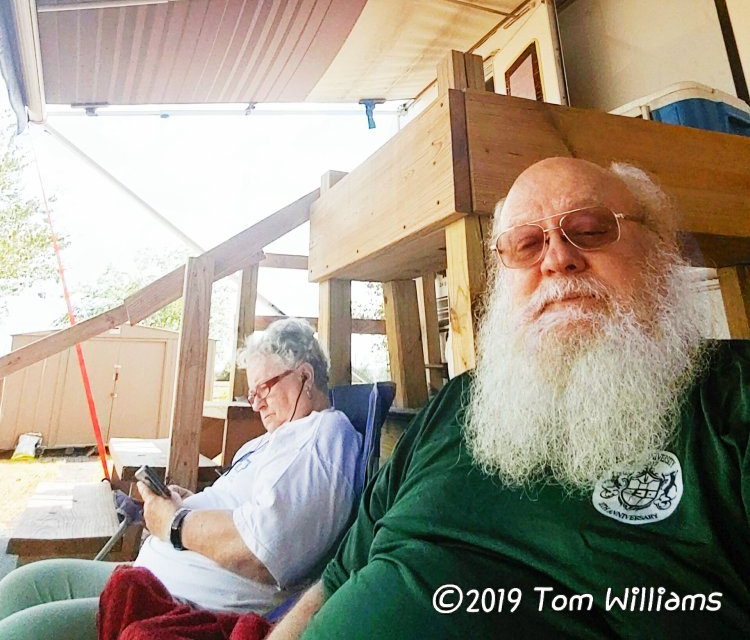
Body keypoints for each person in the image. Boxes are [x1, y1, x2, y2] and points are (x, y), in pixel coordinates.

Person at [268, 157, 750, 640]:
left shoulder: (735, 398)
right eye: (526, 244)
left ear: (659, 251)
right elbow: (334, 584)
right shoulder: (456, 403)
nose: (556, 259)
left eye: (590, 230)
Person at [0, 318, 361, 639]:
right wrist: (190, 503)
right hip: (151, 577)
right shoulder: (275, 440)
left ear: (305, 377)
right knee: (24, 586)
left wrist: (174, 523)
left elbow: (262, 550)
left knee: (19, 632)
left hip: (181, 605)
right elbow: (250, 508)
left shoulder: (320, 437)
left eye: (263, 388)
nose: (256, 404)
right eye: (252, 393)